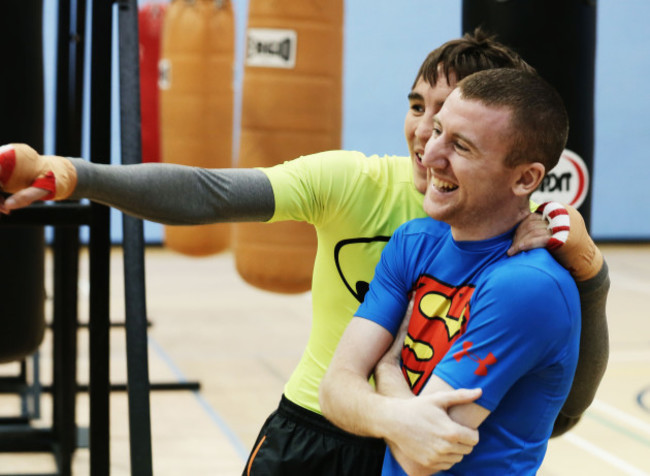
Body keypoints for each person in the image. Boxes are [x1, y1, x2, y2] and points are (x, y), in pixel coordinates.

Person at [0, 30, 608, 475]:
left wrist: (591, 273)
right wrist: (79, 175)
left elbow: (565, 407)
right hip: (314, 433)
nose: (426, 136)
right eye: (419, 108)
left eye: (451, 120)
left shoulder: (527, 240)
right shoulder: (354, 183)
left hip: (422, 448)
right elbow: (210, 193)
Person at [320, 68, 583, 475]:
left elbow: (421, 454)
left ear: (525, 178)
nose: (430, 154)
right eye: (437, 130)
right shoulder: (414, 242)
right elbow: (334, 390)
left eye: (460, 146)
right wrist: (396, 415)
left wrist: (385, 367)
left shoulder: (528, 286)